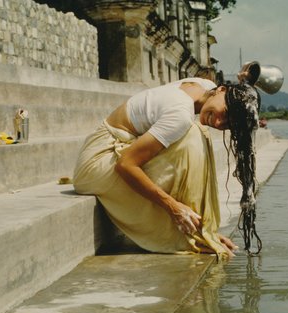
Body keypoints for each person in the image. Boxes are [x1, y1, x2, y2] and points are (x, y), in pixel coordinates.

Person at [73, 77, 262, 259]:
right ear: (222, 90)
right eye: (226, 113)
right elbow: (126, 164)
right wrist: (173, 207)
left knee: (196, 133)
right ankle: (192, 231)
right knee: (194, 136)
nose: (220, 123)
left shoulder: (204, 86)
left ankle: (199, 228)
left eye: (228, 125)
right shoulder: (181, 113)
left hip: (114, 148)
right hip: (96, 162)